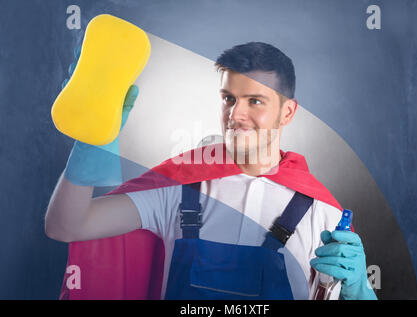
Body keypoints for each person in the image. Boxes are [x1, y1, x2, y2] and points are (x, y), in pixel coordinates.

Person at [45, 42, 376, 300]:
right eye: (229, 98)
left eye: (255, 101)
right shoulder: (178, 188)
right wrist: (90, 144)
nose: (236, 115)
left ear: (287, 112)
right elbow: (67, 226)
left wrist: (359, 290)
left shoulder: (323, 213)